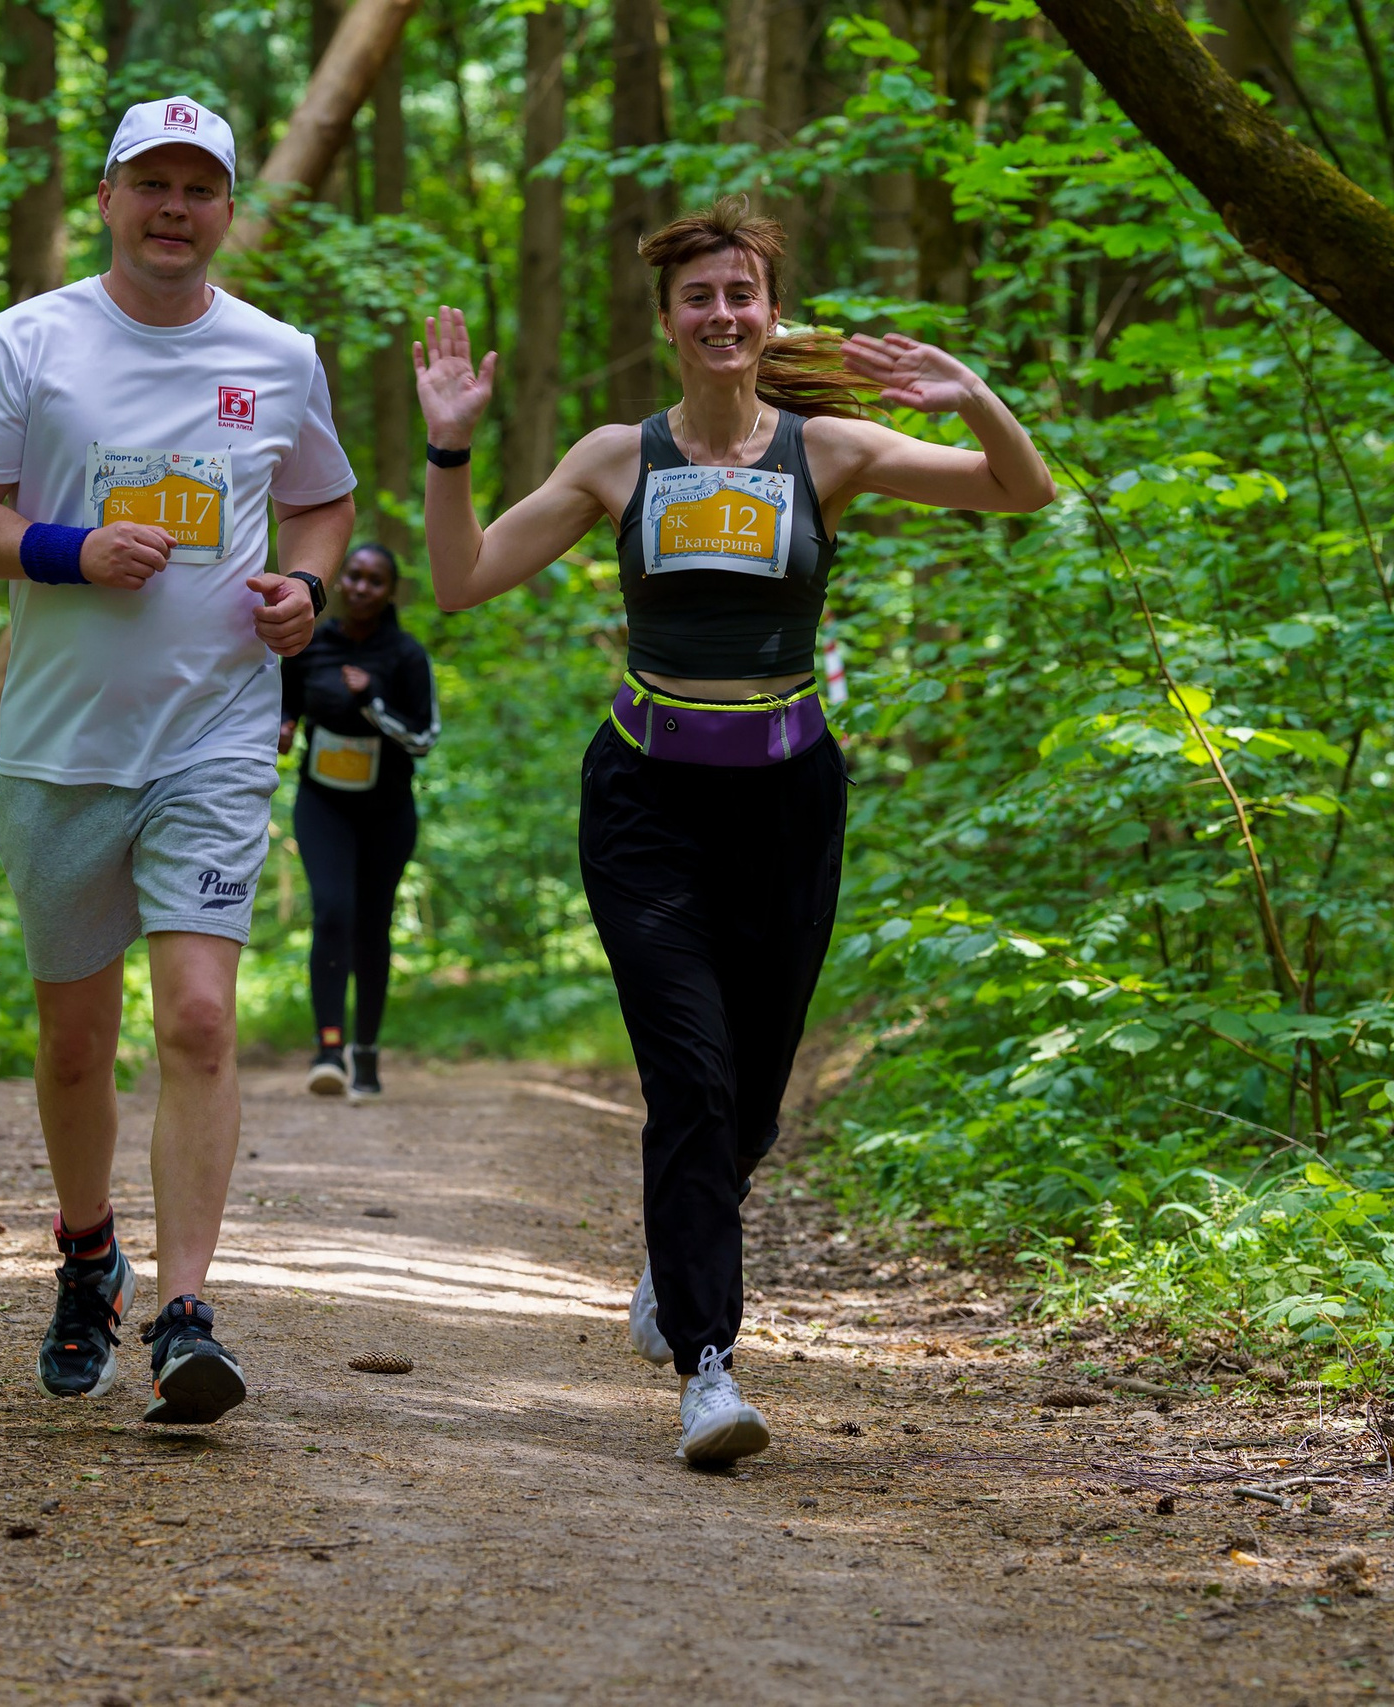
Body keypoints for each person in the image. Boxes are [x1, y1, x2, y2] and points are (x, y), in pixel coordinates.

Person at [411, 197, 1055, 1466]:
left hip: (787, 800)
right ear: (667, 322)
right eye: (697, 297)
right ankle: (709, 1361)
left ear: (770, 317)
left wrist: (968, 389)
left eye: (741, 295)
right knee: (692, 1078)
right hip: (646, 804)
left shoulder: (828, 452)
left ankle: (679, 1242)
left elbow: (1017, 490)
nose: (721, 315)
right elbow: (461, 579)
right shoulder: (614, 458)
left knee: (750, 1096)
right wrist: (448, 453)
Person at [0, 96, 357, 1425]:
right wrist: (68, 550)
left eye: (200, 187)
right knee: (71, 1043)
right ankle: (87, 1250)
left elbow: (322, 500)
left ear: (230, 209)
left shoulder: (278, 355)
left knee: (203, 1020)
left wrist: (306, 589)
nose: (175, 208)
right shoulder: (29, 340)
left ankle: (186, 1310)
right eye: (150, 183)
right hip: (59, 744)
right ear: (107, 197)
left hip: (216, 733)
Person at [277, 542, 439, 1100]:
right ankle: (328, 1050)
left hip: (387, 813)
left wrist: (372, 702)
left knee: (372, 926)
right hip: (323, 804)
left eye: (376, 580)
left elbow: (423, 738)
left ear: (390, 591)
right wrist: (285, 722)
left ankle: (365, 1053)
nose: (362, 587)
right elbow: (284, 700)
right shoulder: (312, 643)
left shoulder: (407, 656)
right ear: (340, 581)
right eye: (355, 576)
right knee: (333, 912)